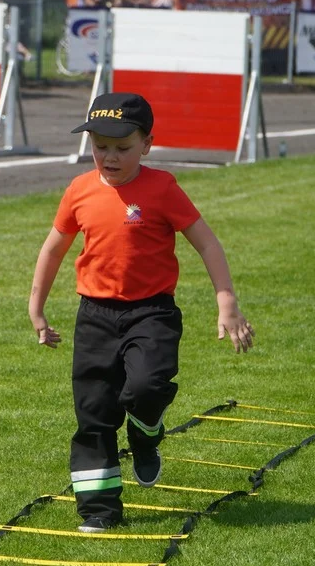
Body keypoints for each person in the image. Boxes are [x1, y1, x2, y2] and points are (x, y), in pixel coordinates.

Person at [27, 92, 254, 533]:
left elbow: (206, 242)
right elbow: (54, 248)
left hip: (152, 313)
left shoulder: (162, 188)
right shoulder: (79, 190)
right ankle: (99, 512)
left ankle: (147, 430)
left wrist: (226, 302)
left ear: (147, 144)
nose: (109, 157)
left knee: (146, 388)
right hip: (95, 315)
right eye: (100, 146)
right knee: (93, 412)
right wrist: (36, 308)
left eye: (122, 147)